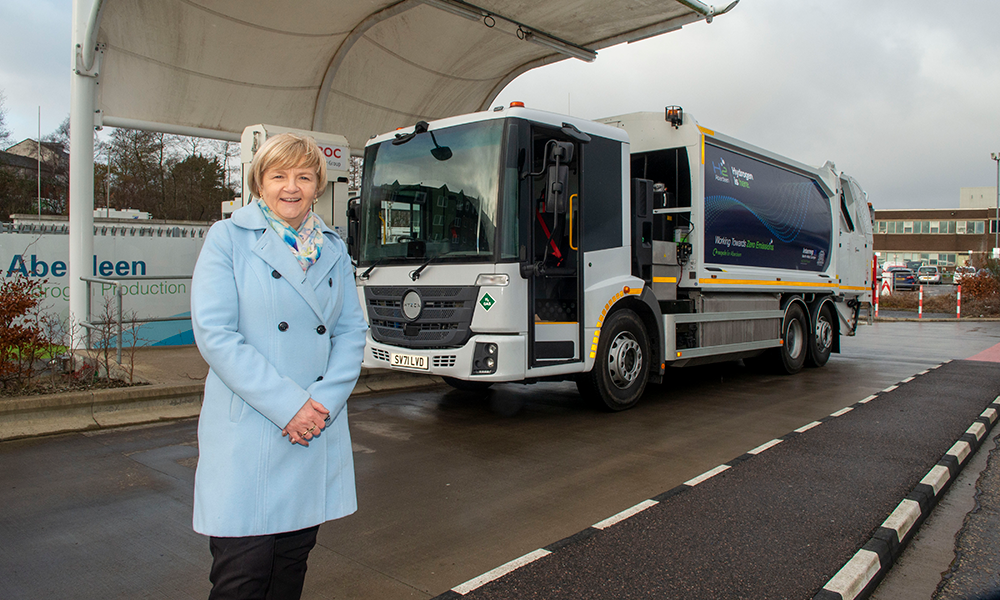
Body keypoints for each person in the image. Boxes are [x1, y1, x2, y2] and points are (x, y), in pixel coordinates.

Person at [190, 132, 368, 599]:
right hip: (252, 430)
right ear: (259, 183)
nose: (292, 187)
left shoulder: (333, 247)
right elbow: (216, 334)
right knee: (241, 578)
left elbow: (351, 334)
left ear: (318, 186)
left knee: (289, 572)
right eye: (279, 176)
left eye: (304, 177)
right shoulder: (228, 238)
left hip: (311, 429)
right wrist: (291, 407)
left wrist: (320, 407)